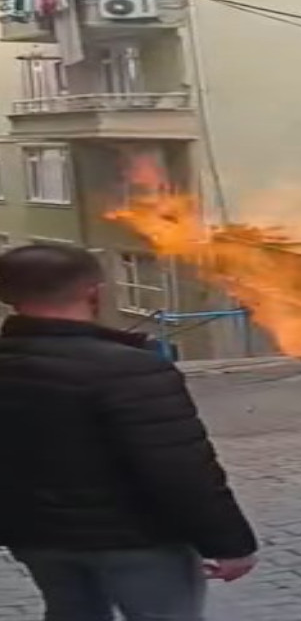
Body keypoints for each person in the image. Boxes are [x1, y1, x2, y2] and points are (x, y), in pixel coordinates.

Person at [0, 244, 258, 621]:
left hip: (37, 537)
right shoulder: (130, 368)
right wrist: (230, 544)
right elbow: (180, 466)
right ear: (94, 292)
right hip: (137, 540)